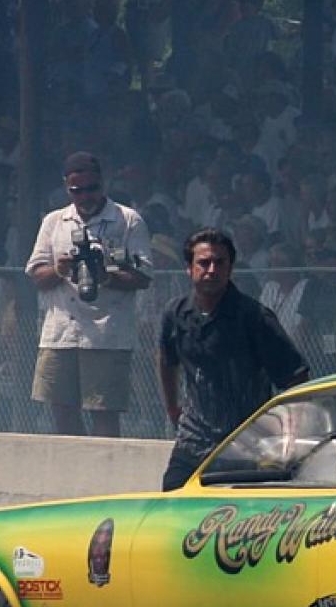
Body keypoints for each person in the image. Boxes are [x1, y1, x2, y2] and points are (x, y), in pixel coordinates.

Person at [158, 228, 308, 490]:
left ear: (230, 268)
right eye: (204, 263)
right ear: (189, 269)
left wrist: (288, 438)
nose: (212, 270)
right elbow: (166, 360)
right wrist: (172, 407)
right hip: (193, 441)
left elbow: (296, 378)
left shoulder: (254, 317)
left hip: (247, 446)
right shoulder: (176, 313)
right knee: (171, 500)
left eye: (220, 263)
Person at [25, 152, 152, 437]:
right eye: (77, 190)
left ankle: (106, 467)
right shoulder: (54, 221)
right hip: (60, 333)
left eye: (91, 188)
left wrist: (106, 276)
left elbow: (143, 277)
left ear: (103, 183)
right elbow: (36, 274)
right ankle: (70, 466)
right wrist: (59, 269)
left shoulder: (127, 220)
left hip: (107, 334)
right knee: (61, 412)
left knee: (103, 412)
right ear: (66, 187)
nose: (85, 196)